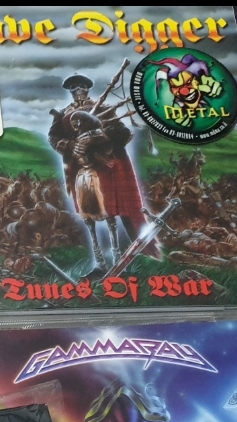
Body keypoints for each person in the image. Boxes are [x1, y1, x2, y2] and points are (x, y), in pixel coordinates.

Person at [49, 72, 148, 272]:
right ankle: (99, 263)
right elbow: (54, 138)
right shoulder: (62, 114)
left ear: (88, 89)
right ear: (70, 91)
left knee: (109, 212)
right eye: (74, 88)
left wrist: (98, 135)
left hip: (103, 165)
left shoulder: (103, 108)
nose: (78, 91)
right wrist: (71, 145)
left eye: (82, 86)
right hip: (78, 167)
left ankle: (118, 260)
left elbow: (123, 132)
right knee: (87, 214)